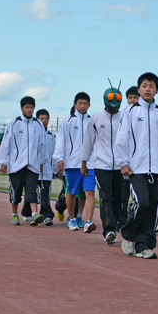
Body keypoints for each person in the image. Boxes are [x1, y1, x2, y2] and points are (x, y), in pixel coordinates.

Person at [116, 72, 158, 260]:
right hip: (136, 168)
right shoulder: (129, 112)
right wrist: (123, 163)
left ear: (157, 90)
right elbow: (122, 138)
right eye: (144, 85)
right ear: (139, 89)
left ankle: (144, 245)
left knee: (152, 208)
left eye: (151, 86)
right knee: (141, 202)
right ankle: (128, 235)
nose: (148, 89)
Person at [81, 83, 124, 242]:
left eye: (116, 105)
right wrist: (84, 163)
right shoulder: (96, 118)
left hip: (120, 166)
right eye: (110, 105)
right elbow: (88, 142)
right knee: (107, 197)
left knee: (118, 198)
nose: (113, 108)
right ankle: (109, 231)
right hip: (101, 165)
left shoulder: (124, 117)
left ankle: (115, 223)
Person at [0, 96, 46, 226]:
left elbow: (43, 144)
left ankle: (34, 214)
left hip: (33, 164)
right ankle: (14, 214)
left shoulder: (38, 124)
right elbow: (6, 142)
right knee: (16, 190)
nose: (29, 110)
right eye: (27, 107)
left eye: (31, 107)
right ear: (21, 108)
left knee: (32, 189)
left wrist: (42, 161)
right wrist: (3, 161)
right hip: (17, 164)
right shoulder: (14, 123)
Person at [53, 92, 93, 231]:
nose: (82, 106)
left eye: (85, 103)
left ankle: (81, 217)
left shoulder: (92, 121)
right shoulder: (67, 122)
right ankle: (70, 219)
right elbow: (60, 141)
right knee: (72, 192)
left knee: (87, 193)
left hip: (90, 164)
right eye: (80, 103)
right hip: (72, 163)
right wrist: (59, 159)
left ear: (89, 105)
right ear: (75, 105)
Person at [22, 109, 57, 225]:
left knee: (45, 194)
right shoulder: (32, 133)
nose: (45, 121)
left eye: (47, 119)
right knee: (31, 192)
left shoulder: (51, 136)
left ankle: (47, 215)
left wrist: (57, 170)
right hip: (33, 169)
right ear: (37, 120)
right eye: (42, 118)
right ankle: (28, 213)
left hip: (46, 171)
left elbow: (54, 154)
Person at [118, 86, 140, 230]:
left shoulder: (144, 114)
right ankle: (122, 222)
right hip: (125, 164)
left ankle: (137, 222)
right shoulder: (123, 114)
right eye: (130, 98)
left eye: (135, 97)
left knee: (138, 198)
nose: (132, 100)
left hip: (139, 165)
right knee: (123, 196)